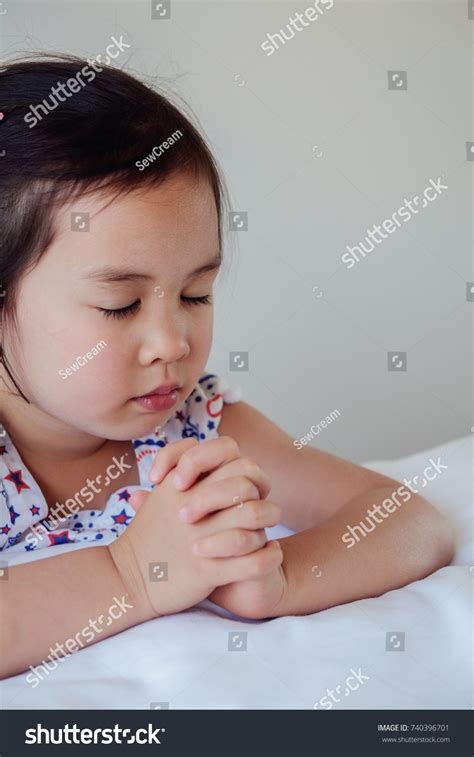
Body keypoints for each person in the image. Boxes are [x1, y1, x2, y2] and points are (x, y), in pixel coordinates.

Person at [0, 55, 454, 680]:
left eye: (195, 295)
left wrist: (286, 577)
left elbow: (410, 520)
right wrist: (133, 574)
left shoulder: (197, 430)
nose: (172, 341)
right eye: (120, 304)